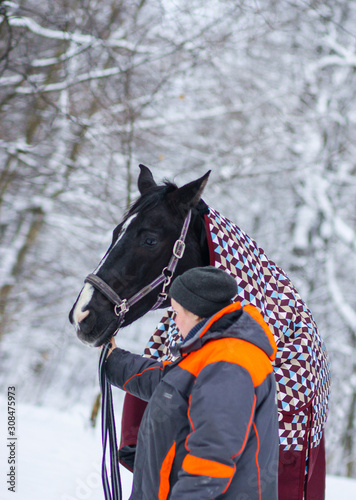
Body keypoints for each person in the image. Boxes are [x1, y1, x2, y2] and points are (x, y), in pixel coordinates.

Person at [105, 266, 279, 499]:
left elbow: (210, 459)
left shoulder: (230, 365)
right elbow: (169, 384)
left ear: (196, 312)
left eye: (176, 312)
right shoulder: (216, 350)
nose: (174, 322)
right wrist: (113, 360)